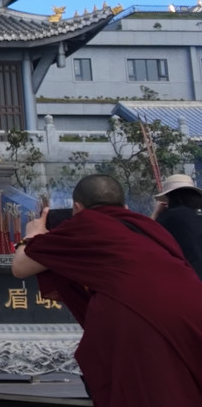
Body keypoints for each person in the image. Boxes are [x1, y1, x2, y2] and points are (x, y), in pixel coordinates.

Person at [12, 174, 202, 405]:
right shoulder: (150, 227)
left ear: (78, 207)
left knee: (149, 389)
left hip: (142, 315)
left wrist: (32, 235)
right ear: (124, 206)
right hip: (192, 304)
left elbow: (20, 267)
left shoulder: (86, 225)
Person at [151, 173, 202, 280]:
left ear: (171, 197)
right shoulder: (197, 215)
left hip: (191, 278)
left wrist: (155, 213)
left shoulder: (170, 217)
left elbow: (145, 235)